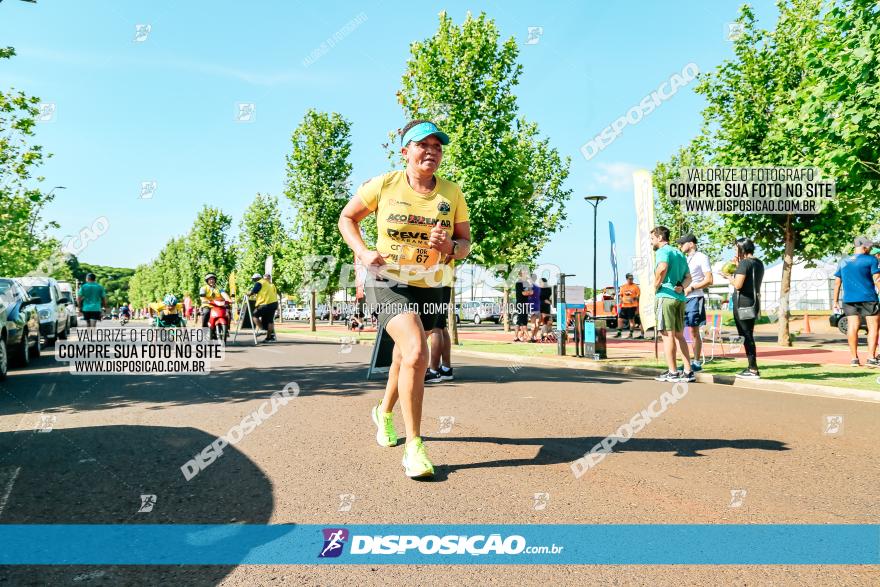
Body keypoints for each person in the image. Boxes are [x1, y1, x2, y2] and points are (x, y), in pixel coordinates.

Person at [338, 119, 470, 479]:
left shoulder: (451, 193)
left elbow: (465, 244)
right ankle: (414, 446)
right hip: (387, 279)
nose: (431, 151)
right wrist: (363, 253)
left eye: (437, 146)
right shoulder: (384, 185)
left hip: (432, 284)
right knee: (416, 351)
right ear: (405, 152)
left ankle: (384, 411)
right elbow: (347, 218)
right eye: (422, 145)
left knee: (403, 356)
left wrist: (451, 247)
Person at [650, 226, 695, 383]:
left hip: (665, 296)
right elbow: (689, 277)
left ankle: (673, 372)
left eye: (652, 239)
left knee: (667, 335)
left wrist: (656, 285)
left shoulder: (663, 251)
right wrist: (682, 287)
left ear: (660, 238)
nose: (651, 242)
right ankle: (688, 371)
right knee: (679, 335)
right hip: (679, 298)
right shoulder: (679, 253)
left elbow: (662, 267)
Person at [832, 236, 880, 367]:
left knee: (852, 327)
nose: (869, 248)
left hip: (849, 299)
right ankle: (871, 358)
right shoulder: (871, 259)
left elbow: (837, 283)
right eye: (868, 246)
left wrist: (835, 301)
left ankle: (854, 359)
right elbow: (877, 280)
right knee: (873, 328)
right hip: (869, 298)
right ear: (863, 246)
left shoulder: (843, 261)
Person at [724, 237, 765, 378]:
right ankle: (751, 367)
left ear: (741, 248)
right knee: (748, 334)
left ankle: (753, 369)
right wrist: (738, 266)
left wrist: (728, 276)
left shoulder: (744, 264)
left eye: (736, 248)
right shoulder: (758, 263)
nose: (735, 250)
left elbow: (738, 285)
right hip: (753, 301)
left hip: (742, 303)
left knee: (746, 335)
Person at [677, 234, 713, 370]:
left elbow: (709, 280)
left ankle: (697, 362)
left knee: (693, 331)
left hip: (695, 298)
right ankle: (686, 362)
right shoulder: (685, 259)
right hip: (682, 299)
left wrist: (691, 288)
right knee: (680, 332)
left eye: (682, 243)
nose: (680, 246)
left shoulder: (702, 257)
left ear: (691, 244)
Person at [427, 285, 454, 383]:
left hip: (435, 280)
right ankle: (446, 369)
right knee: (442, 325)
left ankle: (433, 371)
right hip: (446, 281)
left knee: (436, 326)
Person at [252, 273, 279, 342]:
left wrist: (248, 294)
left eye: (254, 280)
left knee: (255, 316)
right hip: (273, 303)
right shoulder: (271, 285)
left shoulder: (260, 282)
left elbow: (254, 291)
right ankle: (269, 337)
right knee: (269, 320)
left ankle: (262, 329)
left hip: (265, 303)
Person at [615, 273, 643, 339]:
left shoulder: (636, 287)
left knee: (631, 320)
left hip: (632, 306)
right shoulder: (623, 286)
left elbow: (638, 296)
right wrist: (620, 304)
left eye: (632, 279)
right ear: (627, 279)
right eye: (630, 279)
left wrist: (633, 299)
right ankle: (619, 333)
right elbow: (621, 296)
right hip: (624, 306)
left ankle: (631, 333)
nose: (631, 280)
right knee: (620, 319)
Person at [513, 270, 531, 342]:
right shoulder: (519, 283)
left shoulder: (526, 283)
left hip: (525, 303)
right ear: (520, 275)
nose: (526, 275)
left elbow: (530, 292)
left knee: (520, 320)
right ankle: (528, 336)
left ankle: (516, 337)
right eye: (524, 274)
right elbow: (524, 293)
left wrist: (528, 292)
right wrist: (529, 292)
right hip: (520, 303)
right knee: (523, 320)